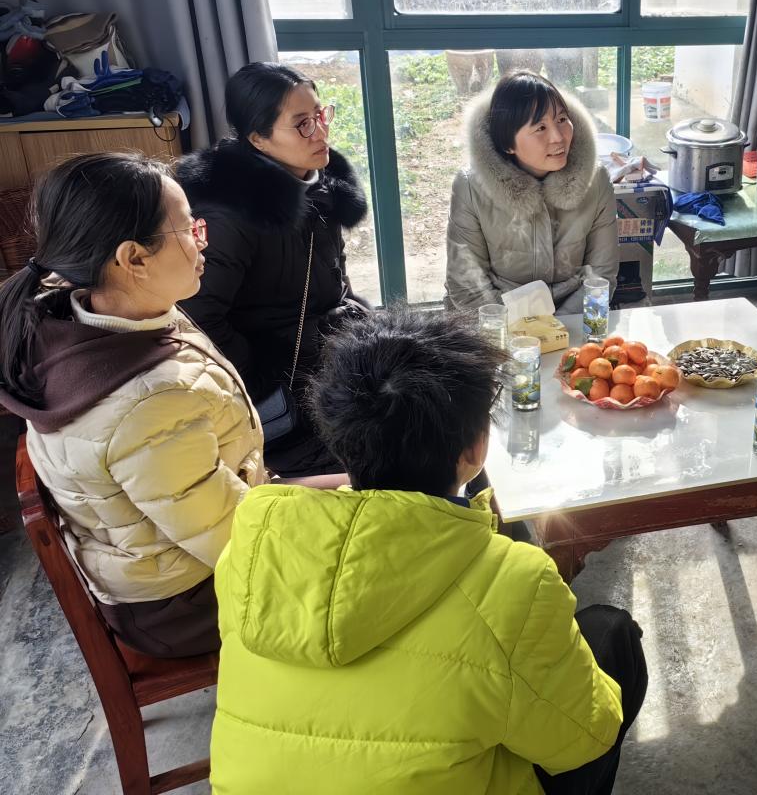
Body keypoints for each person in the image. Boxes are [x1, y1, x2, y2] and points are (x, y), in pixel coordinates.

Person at [211, 309, 647, 794]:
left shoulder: (250, 552)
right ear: (475, 450)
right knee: (611, 634)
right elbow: (584, 739)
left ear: (339, 438)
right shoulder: (515, 583)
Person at [0, 153, 274, 657]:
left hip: (180, 545)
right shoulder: (150, 404)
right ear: (134, 259)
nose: (203, 241)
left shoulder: (85, 311)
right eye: (189, 229)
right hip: (186, 601)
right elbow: (239, 544)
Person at [176, 61, 369, 477]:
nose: (321, 132)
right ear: (258, 139)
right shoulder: (229, 214)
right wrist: (266, 375)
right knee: (396, 456)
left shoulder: (319, 186)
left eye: (321, 114)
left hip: (330, 364)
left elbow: (334, 286)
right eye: (302, 124)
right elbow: (197, 318)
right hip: (284, 399)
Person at [446, 70, 619, 312]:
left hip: (574, 315)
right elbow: (468, 288)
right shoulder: (470, 186)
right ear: (507, 143)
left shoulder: (596, 179)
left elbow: (601, 278)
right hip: (497, 319)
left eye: (562, 120)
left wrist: (563, 326)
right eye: (540, 128)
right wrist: (530, 329)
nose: (558, 137)